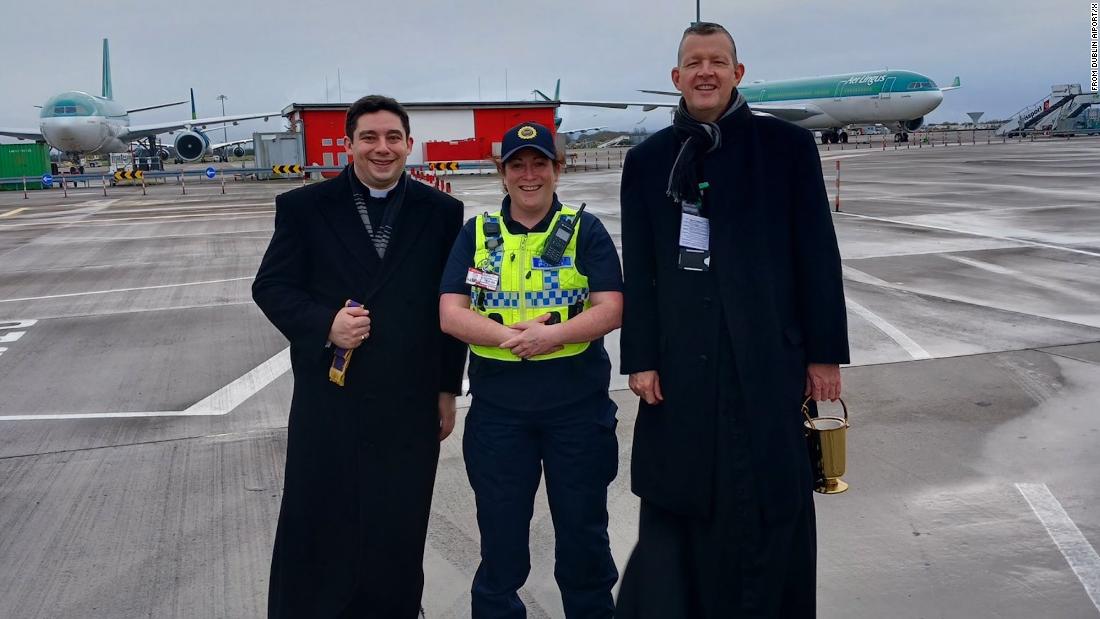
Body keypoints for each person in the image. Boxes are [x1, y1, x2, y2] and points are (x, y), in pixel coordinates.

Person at [614, 22, 850, 618]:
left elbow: (817, 255)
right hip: (682, 366)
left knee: (771, 494)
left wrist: (824, 354)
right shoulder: (647, 161)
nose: (706, 72)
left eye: (717, 61)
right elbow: (639, 268)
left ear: (737, 73)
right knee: (685, 494)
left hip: (769, 359)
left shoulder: (787, 149)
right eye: (694, 63)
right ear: (676, 77)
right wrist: (640, 357)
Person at [252, 94, 466, 618]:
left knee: (399, 520)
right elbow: (271, 286)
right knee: (319, 519)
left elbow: (451, 305)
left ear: (409, 144)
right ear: (349, 144)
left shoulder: (442, 212)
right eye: (369, 137)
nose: (381, 148)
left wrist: (447, 388)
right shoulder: (304, 208)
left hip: (408, 398)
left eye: (393, 137)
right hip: (331, 397)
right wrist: (325, 323)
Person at [439, 121, 623, 619]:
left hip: (576, 410)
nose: (528, 175)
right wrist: (513, 338)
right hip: (500, 413)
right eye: (516, 165)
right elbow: (451, 314)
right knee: (500, 539)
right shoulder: (478, 234)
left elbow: (611, 307)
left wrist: (552, 336)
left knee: (584, 535)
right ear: (501, 172)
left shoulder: (585, 230)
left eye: (539, 163)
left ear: (557, 169)